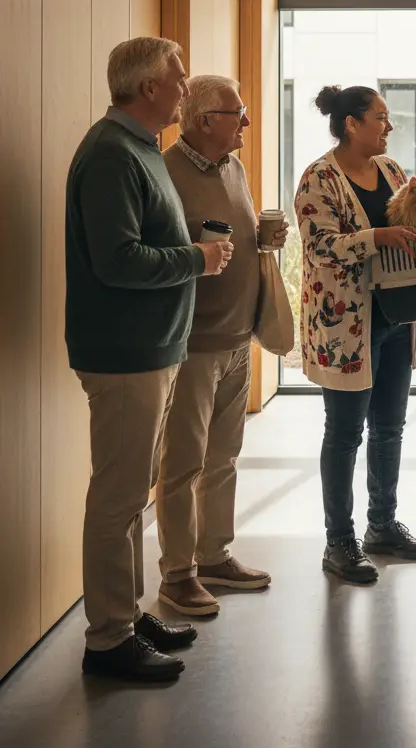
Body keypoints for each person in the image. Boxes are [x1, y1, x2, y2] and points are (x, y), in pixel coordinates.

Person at [66, 38, 233, 682]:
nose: (187, 86)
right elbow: (117, 260)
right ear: (148, 89)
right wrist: (198, 258)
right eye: (179, 77)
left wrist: (190, 250)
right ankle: (108, 640)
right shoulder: (112, 155)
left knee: (132, 493)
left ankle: (128, 616)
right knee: (117, 497)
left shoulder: (139, 148)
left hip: (150, 351)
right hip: (124, 354)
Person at [156, 76, 287, 616]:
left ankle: (213, 555)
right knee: (183, 462)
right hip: (193, 342)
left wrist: (263, 237)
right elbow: (160, 250)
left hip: (238, 338)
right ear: (205, 120)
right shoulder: (166, 171)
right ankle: (177, 574)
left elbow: (237, 233)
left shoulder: (233, 166)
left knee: (224, 456)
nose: (247, 123)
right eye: (239, 112)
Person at [294, 85, 416, 584]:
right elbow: (321, 247)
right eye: (381, 117)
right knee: (345, 434)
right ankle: (339, 542)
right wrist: (378, 237)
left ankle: (382, 526)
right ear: (352, 123)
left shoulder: (393, 172)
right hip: (344, 328)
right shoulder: (319, 178)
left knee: (390, 428)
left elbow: (415, 227)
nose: (389, 126)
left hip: (396, 320)